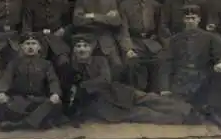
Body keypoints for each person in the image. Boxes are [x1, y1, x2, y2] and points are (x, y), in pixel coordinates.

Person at [67, 34, 196, 126]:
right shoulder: (70, 66)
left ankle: (188, 110)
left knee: (150, 98)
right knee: (144, 114)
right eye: (78, 46)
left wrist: (82, 86)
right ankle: (182, 119)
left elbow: (105, 79)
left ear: (91, 48)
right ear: (74, 49)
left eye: (85, 46)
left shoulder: (100, 60)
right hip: (101, 105)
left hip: (116, 91)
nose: (82, 49)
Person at [160, 5, 221, 126]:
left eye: (193, 18)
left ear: (199, 20)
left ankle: (213, 111)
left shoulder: (210, 37)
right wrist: (164, 87)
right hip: (182, 79)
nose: (190, 21)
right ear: (183, 20)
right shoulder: (175, 39)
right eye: (187, 18)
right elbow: (167, 62)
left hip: (203, 78)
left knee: (218, 76)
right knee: (178, 113)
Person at [22, 0, 73, 109]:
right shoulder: (30, 4)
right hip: (38, 41)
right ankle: (39, 103)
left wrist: (64, 30)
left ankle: (64, 101)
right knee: (36, 66)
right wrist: (31, 41)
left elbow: (70, 23)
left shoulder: (62, 3)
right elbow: (26, 27)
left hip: (58, 41)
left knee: (63, 63)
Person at [0, 32, 62, 131]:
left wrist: (55, 93)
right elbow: (6, 79)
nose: (30, 47)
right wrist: (1, 92)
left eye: (34, 43)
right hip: (19, 101)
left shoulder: (46, 64)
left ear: (39, 47)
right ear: (21, 46)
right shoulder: (14, 63)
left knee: (56, 103)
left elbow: (53, 80)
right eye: (27, 43)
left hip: (39, 101)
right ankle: (37, 120)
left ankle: (20, 124)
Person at [73, 0, 123, 79]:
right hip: (87, 39)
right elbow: (77, 21)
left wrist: (91, 16)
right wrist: (105, 17)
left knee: (117, 65)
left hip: (106, 39)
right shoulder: (82, 0)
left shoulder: (111, 0)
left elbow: (116, 22)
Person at [119, 0, 163, 92]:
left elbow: (160, 27)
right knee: (132, 63)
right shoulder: (124, 5)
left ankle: (155, 95)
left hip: (151, 42)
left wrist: (163, 45)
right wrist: (128, 48)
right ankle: (137, 95)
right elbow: (123, 29)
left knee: (160, 61)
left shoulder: (155, 5)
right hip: (134, 41)